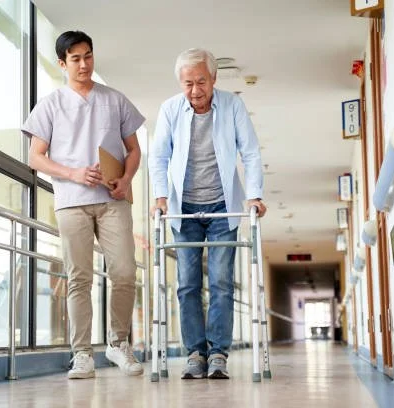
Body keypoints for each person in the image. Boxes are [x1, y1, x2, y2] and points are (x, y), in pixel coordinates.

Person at [22, 31, 145, 379]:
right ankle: (82, 354)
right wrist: (73, 173)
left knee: (123, 271)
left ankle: (118, 343)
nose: (83, 64)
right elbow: (35, 157)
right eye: (75, 59)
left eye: (88, 56)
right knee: (80, 278)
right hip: (72, 202)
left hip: (112, 199)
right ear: (62, 64)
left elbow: (134, 150)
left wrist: (127, 179)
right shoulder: (50, 104)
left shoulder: (115, 100)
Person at [148, 48, 267, 379]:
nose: (195, 90)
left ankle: (218, 353)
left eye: (202, 81)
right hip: (182, 210)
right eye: (188, 83)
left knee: (221, 282)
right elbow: (157, 157)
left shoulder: (232, 106)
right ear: (180, 83)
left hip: (221, 209)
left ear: (214, 78)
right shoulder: (170, 110)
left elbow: (251, 152)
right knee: (186, 284)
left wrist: (254, 196)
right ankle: (195, 353)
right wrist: (160, 197)